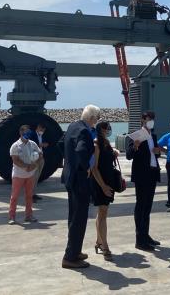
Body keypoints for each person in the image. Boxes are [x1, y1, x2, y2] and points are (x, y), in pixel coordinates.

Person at [61, 104, 100, 269]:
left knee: (73, 216)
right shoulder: (84, 131)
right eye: (97, 119)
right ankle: (70, 257)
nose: (96, 123)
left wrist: (69, 163)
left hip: (70, 178)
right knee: (79, 219)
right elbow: (82, 151)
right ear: (91, 118)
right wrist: (88, 167)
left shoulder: (72, 126)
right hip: (80, 180)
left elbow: (60, 144)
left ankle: (74, 250)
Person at [126, 111, 162, 251]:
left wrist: (158, 151)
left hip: (152, 173)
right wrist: (135, 146)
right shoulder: (135, 135)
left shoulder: (153, 135)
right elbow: (129, 155)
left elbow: (154, 154)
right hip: (141, 175)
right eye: (148, 119)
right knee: (141, 206)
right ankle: (139, 239)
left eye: (152, 119)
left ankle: (145, 235)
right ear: (142, 120)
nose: (151, 121)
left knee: (147, 207)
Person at [90, 121, 116, 261]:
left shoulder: (106, 142)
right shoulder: (96, 145)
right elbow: (94, 168)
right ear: (101, 130)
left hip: (109, 180)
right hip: (100, 182)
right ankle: (104, 245)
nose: (109, 130)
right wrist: (103, 186)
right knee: (103, 212)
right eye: (107, 129)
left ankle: (99, 241)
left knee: (102, 212)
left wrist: (115, 153)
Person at [8, 125, 42, 225]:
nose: (26, 134)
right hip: (18, 175)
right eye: (24, 132)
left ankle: (29, 216)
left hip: (30, 175)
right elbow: (15, 160)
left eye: (27, 132)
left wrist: (34, 165)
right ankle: (12, 217)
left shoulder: (33, 144)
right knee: (14, 197)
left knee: (29, 196)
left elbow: (40, 155)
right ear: (20, 133)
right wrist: (27, 167)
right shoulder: (15, 146)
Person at [30, 122, 50, 202]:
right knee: (33, 177)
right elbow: (30, 145)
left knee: (37, 177)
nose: (42, 131)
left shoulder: (41, 135)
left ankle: (33, 194)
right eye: (41, 129)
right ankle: (30, 195)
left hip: (40, 158)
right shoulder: (32, 134)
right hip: (34, 159)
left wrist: (45, 144)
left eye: (44, 130)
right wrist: (40, 144)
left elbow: (42, 144)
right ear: (38, 127)